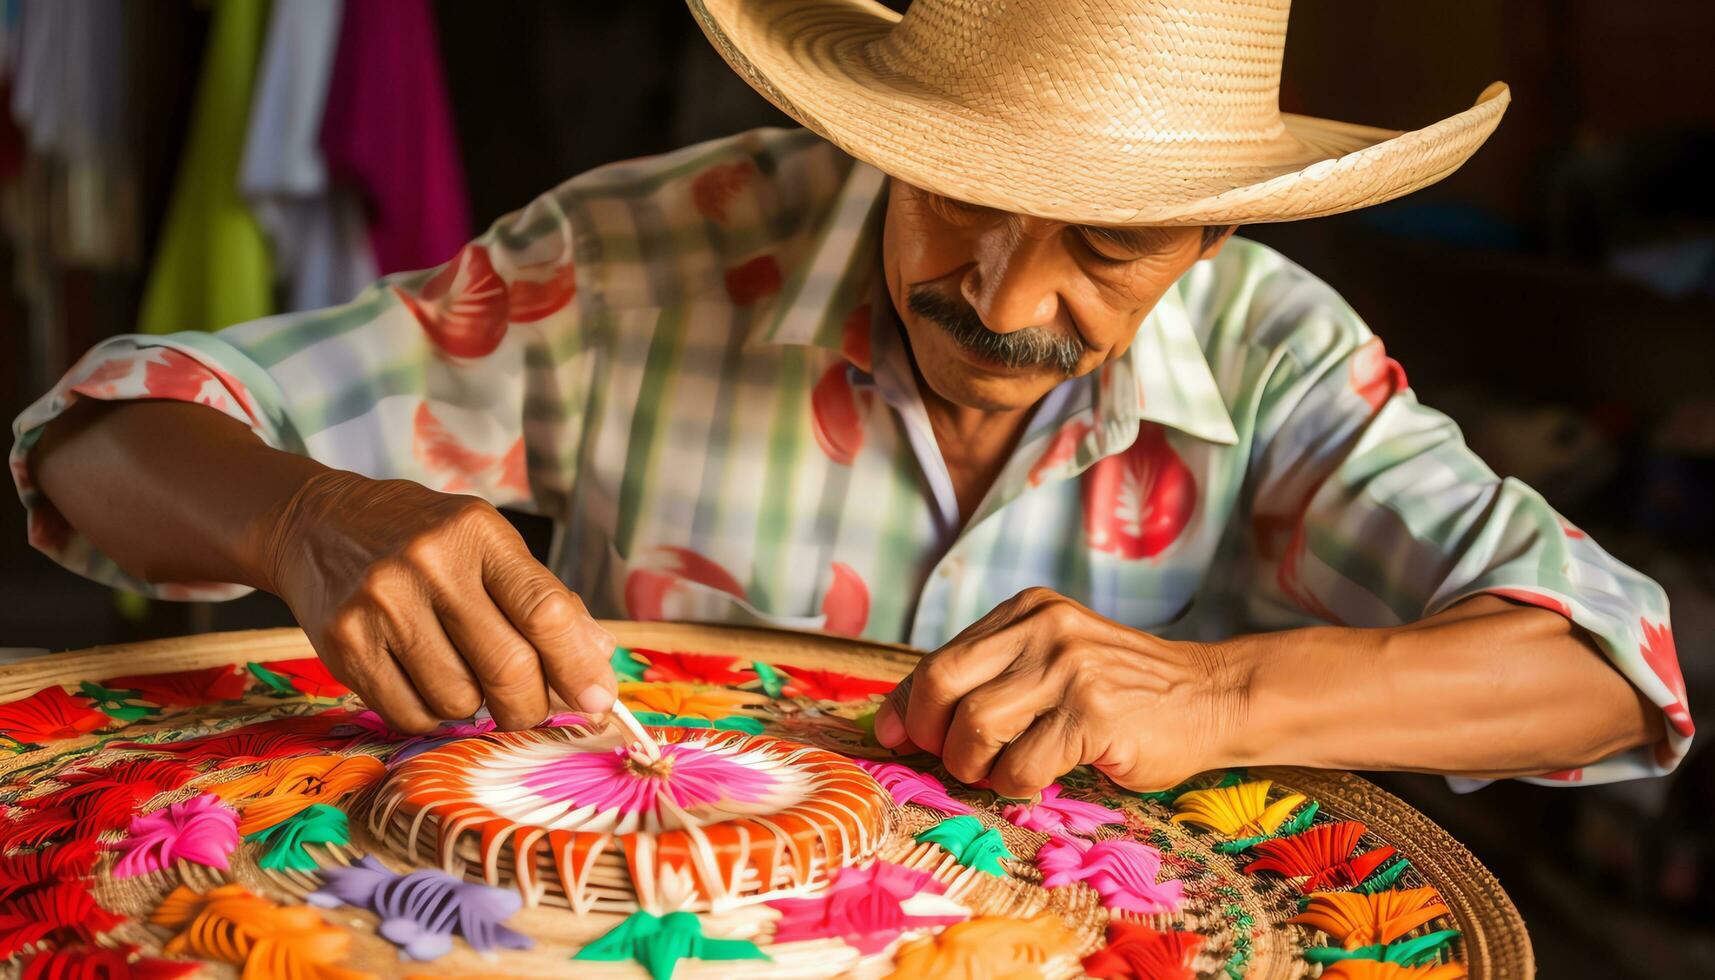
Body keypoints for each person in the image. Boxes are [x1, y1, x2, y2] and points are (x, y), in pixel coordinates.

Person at [11, 0, 1692, 798]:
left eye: (1107, 243)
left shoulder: (1273, 355)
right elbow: (93, 442)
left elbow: (1615, 668)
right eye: (956, 195)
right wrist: (303, 512)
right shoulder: (636, 265)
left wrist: (1230, 696)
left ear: (1214, 227)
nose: (1009, 299)